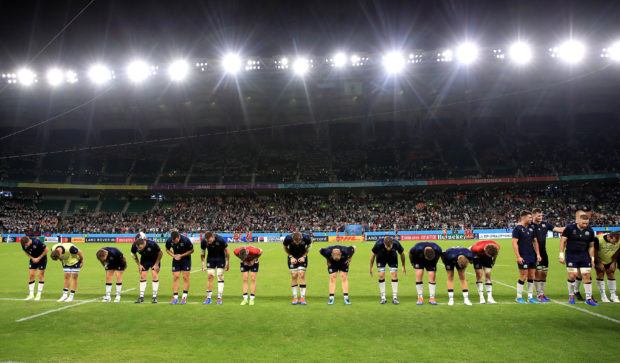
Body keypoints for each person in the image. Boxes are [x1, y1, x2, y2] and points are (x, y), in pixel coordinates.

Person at [559, 211, 598, 306]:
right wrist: (561, 255)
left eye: (587, 223)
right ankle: (571, 295)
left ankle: (589, 298)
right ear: (578, 221)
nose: (585, 225)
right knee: (572, 276)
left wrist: (592, 259)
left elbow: (591, 246)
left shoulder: (590, 231)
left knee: (586, 276)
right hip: (571, 255)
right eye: (583, 223)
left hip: (584, 256)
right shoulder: (569, 228)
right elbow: (563, 241)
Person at [531, 208, 565, 302]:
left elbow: (558, 229)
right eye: (539, 215)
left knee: (544, 274)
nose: (541, 217)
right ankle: (539, 295)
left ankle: (542, 293)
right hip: (534, 253)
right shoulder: (529, 225)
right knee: (538, 274)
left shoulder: (545, 224)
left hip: (544, 253)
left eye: (541, 215)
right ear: (533, 216)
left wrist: (571, 227)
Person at [511, 210, 542, 304]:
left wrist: (538, 254)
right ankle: (519, 297)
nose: (531, 219)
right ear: (524, 218)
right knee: (523, 276)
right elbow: (514, 243)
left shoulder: (531, 228)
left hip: (532, 256)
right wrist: (518, 256)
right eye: (529, 217)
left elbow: (535, 241)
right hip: (523, 256)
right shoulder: (517, 229)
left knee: (532, 276)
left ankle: (530, 297)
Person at [369, 236, 406, 304]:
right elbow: (373, 255)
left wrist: (403, 266)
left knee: (394, 274)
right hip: (381, 258)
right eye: (387, 247)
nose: (388, 248)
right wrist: (371, 267)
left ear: (392, 243)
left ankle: (395, 297)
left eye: (390, 247)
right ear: (384, 244)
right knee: (381, 275)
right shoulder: (379, 243)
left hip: (392, 258)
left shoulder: (396, 243)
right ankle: (383, 297)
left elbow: (402, 254)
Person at [131, 234, 163, 303]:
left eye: (140, 248)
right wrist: (139, 265)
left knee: (154, 275)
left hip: (154, 259)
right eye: (138, 248)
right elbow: (133, 254)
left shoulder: (152, 244)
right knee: (143, 276)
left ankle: (154, 297)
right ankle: (141, 297)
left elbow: (160, 253)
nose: (139, 249)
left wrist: (156, 264)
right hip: (144, 260)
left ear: (144, 244)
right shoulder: (135, 245)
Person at [283, 232, 312, 305]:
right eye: (295, 242)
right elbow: (284, 247)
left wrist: (304, 256)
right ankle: (295, 297)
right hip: (292, 257)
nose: (297, 243)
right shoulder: (288, 238)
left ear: (301, 239)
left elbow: (309, 246)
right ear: (292, 239)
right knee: (294, 276)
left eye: (299, 242)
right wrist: (291, 257)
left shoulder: (306, 237)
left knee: (301, 275)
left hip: (302, 257)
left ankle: (302, 297)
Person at [200, 231, 230, 305]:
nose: (209, 243)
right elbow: (202, 253)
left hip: (221, 259)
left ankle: (219, 298)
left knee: (220, 277)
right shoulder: (204, 241)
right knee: (210, 276)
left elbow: (227, 252)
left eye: (210, 241)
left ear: (213, 237)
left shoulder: (220, 239)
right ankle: (208, 298)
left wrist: (227, 263)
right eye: (207, 241)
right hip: (210, 259)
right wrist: (203, 264)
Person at [166, 231, 194, 305]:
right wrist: (173, 255)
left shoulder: (186, 240)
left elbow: (192, 250)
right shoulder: (169, 240)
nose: (174, 243)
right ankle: (175, 298)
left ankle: (184, 298)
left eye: (176, 241)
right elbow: (167, 249)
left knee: (185, 277)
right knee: (175, 277)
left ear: (178, 237)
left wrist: (181, 255)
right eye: (173, 241)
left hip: (186, 260)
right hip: (176, 260)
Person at [470, 240, 500, 304]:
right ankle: (481, 297)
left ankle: (490, 297)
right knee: (479, 275)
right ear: (486, 251)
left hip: (487, 258)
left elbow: (495, 254)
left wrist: (494, 259)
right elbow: (469, 249)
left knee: (488, 275)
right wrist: (470, 258)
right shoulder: (477, 248)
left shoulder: (496, 247)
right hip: (477, 257)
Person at [593, 231, 620, 303]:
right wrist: (599, 263)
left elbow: (618, 251)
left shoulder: (618, 241)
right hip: (599, 259)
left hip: (610, 259)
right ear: (609, 237)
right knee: (600, 274)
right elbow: (594, 252)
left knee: (611, 274)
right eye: (614, 241)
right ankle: (603, 296)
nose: (615, 243)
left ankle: (613, 296)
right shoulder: (598, 239)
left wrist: (614, 262)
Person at [20, 236, 48, 301]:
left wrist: (39, 258)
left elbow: (46, 249)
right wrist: (32, 258)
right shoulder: (24, 245)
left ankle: (38, 294)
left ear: (29, 241)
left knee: (40, 275)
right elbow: (26, 252)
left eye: (26, 244)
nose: (26, 246)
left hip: (42, 259)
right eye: (25, 245)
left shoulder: (37, 242)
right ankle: (31, 294)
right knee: (31, 275)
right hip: (33, 259)